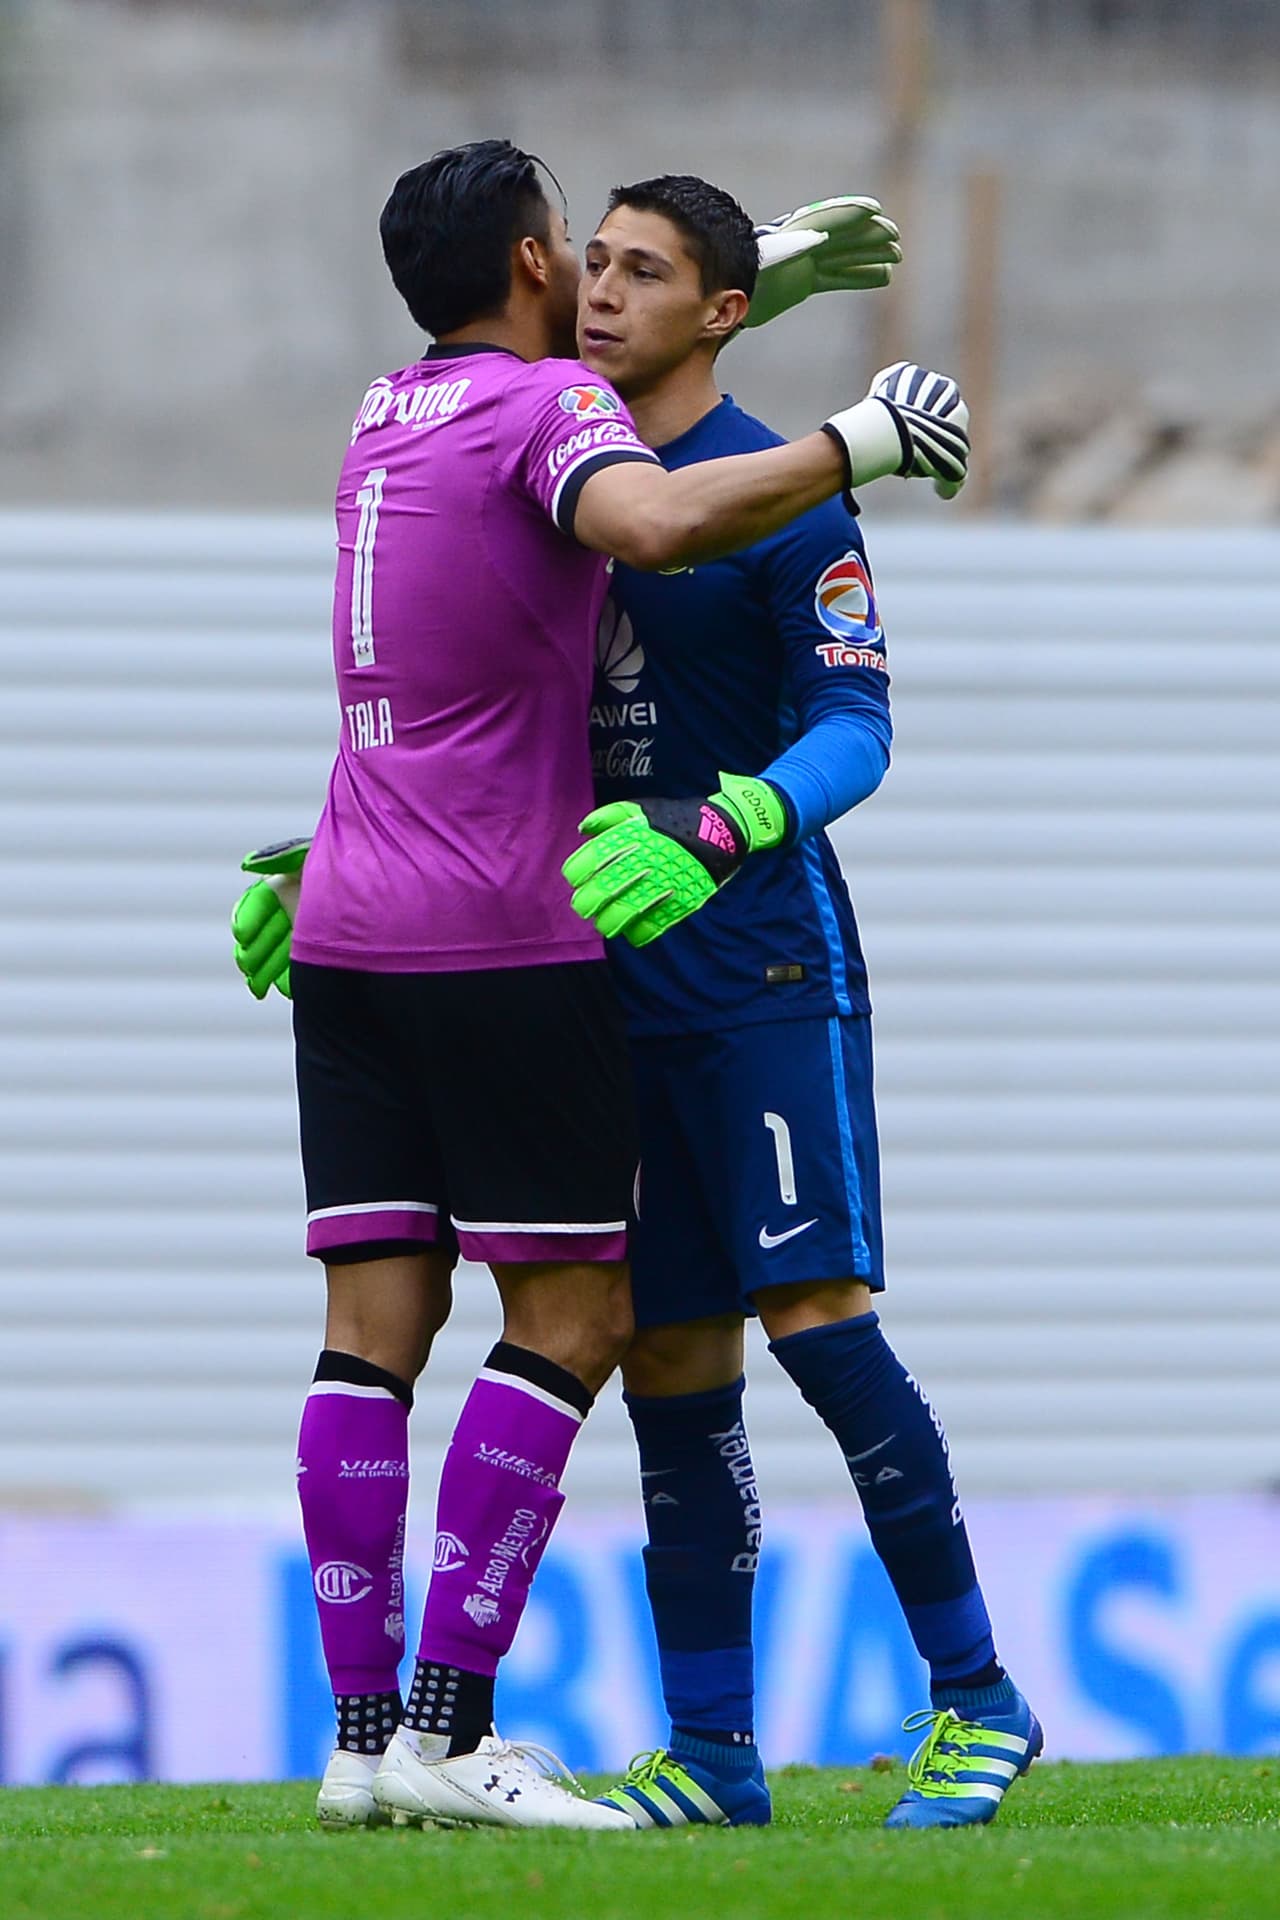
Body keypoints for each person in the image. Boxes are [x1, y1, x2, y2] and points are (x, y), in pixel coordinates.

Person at [237, 138, 967, 1835]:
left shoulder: (380, 412)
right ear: (527, 266)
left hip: (351, 910)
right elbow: (639, 497)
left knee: (368, 1337)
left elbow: (541, 437)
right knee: (582, 1320)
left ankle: (361, 1747)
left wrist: (751, 264)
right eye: (575, 253)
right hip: (514, 925)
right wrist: (857, 433)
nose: (593, 279)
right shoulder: (549, 420)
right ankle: (451, 1725)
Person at [561, 175, 1040, 1832]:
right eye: (593, 264)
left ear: (723, 312)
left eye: (643, 273)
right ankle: (713, 1753)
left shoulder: (783, 496)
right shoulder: (564, 479)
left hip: (766, 970)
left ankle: (977, 1698)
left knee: (817, 1324)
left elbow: (859, 729)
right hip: (614, 995)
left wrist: (727, 817)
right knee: (666, 1359)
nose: (600, 295)